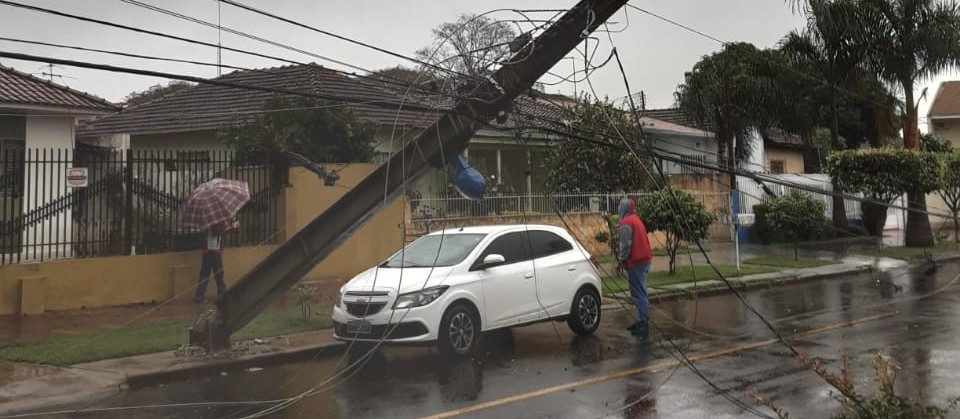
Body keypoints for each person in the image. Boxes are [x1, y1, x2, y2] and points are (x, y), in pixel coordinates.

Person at [618, 198, 653, 337]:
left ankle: (643, 323)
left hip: (637, 261)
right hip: (644, 260)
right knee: (640, 292)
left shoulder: (626, 222)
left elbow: (626, 245)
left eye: (620, 207)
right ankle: (640, 321)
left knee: (639, 294)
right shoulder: (636, 219)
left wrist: (621, 260)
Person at [194, 219, 238, 303]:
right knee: (218, 274)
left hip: (207, 251)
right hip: (215, 251)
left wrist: (228, 227)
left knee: (204, 273)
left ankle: (199, 295)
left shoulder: (206, 220)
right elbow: (220, 232)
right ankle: (222, 294)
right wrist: (232, 227)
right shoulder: (216, 221)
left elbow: (210, 233)